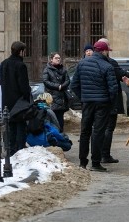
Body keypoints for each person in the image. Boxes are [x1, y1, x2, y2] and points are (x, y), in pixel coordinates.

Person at [71, 40, 117, 171]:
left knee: (85, 131)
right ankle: (95, 163)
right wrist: (111, 103)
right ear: (103, 51)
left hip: (87, 103)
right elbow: (113, 89)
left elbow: (74, 85)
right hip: (102, 104)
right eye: (107, 51)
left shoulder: (82, 64)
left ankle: (82, 162)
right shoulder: (107, 66)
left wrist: (84, 97)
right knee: (98, 132)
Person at [0, 41, 32, 154]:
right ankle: (20, 151)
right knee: (20, 128)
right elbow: (24, 86)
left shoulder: (4, 63)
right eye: (24, 51)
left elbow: (0, 81)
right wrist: (27, 98)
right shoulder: (21, 65)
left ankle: (10, 151)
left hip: (6, 101)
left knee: (10, 127)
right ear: (20, 51)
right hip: (19, 102)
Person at [96, 37, 121, 165]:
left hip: (95, 102)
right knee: (108, 129)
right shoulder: (110, 64)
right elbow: (113, 85)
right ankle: (104, 155)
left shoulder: (89, 62)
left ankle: (97, 155)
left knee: (98, 128)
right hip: (108, 102)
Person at [43, 52, 70, 130]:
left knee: (60, 119)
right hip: (52, 98)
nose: (58, 59)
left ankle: (60, 136)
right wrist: (58, 86)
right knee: (52, 119)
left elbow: (67, 80)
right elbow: (46, 81)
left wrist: (62, 86)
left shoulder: (63, 69)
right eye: (56, 58)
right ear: (51, 59)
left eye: (59, 58)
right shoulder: (47, 69)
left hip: (61, 98)